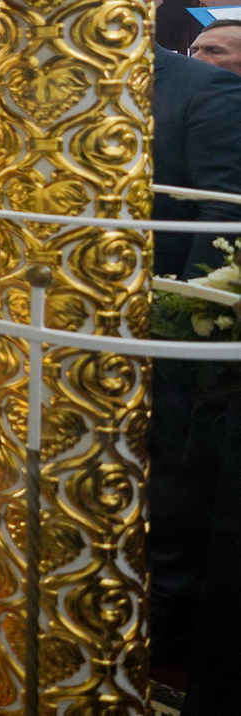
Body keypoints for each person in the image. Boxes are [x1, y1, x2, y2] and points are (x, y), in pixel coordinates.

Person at [149, 42, 241, 715]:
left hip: (177, 321)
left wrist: (183, 312)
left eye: (222, 49)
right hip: (88, 308)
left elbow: (221, 213)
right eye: (202, 46)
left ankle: (167, 617)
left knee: (175, 472)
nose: (207, 56)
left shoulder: (203, 92)